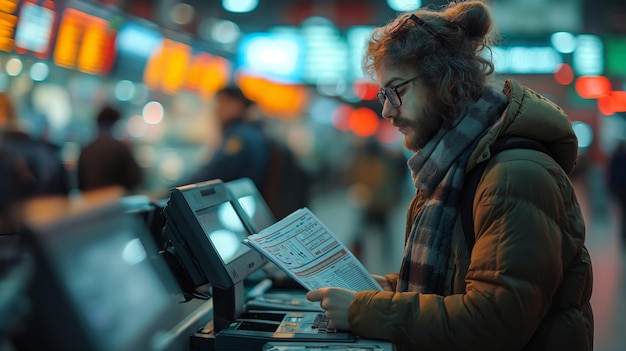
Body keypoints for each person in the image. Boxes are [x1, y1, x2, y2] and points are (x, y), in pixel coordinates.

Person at [306, 1, 593, 350]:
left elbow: (495, 322)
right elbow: (457, 280)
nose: (386, 110)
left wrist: (367, 310)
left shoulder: (513, 175)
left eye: (396, 90)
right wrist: (389, 290)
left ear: (444, 81)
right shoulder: (455, 165)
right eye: (384, 94)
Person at [180, 85, 310, 220]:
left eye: (221, 104)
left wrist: (176, 191)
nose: (216, 111)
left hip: (242, 213)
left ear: (236, 105)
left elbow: (213, 175)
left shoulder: (241, 139)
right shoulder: (255, 133)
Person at [77, 105, 143, 194]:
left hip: (91, 203)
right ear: (115, 124)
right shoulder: (120, 148)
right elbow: (135, 179)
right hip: (115, 203)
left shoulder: (86, 149)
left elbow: (79, 183)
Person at [608, 139, 626, 243]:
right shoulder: (621, 157)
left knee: (623, 211)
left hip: (619, 188)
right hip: (622, 187)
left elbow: (611, 174)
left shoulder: (615, 156)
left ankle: (623, 233)